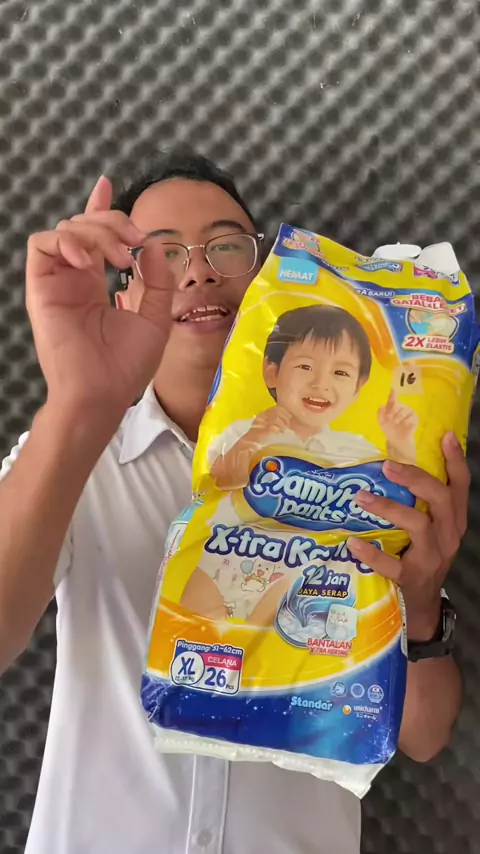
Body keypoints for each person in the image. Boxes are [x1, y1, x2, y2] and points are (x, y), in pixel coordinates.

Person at [0, 149, 467, 854]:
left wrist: (423, 604)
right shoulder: (72, 451)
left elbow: (424, 737)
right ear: (123, 296)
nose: (197, 272)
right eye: (161, 255)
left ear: (271, 284)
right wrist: (75, 403)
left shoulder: (364, 471)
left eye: (226, 246)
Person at [210, 304, 418, 493]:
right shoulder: (240, 434)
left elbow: (395, 498)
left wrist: (399, 446)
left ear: (358, 387)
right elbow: (214, 488)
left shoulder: (355, 449)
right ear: (272, 372)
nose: (321, 384)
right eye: (305, 367)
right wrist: (250, 442)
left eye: (340, 372)